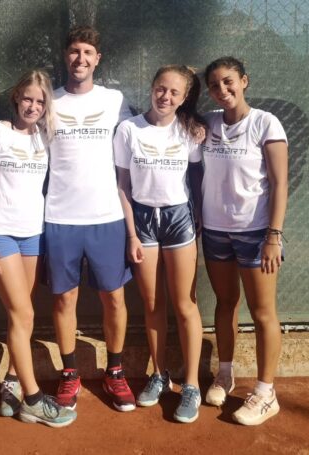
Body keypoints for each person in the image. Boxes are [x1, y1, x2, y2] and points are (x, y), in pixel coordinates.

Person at [0, 26, 136, 412]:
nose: (81, 58)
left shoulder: (114, 101)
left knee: (114, 298)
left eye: (88, 52)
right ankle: (69, 374)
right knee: (64, 299)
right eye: (75, 51)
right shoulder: (50, 102)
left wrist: (190, 124)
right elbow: (16, 130)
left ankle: (115, 372)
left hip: (108, 218)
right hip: (59, 219)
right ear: (66, 56)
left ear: (98, 59)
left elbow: (146, 128)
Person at [0, 69, 76, 427]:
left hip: (34, 235)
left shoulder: (46, 137)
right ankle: (32, 400)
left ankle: (12, 383)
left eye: (40, 101)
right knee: (24, 315)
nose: (33, 106)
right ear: (16, 97)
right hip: (0, 235)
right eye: (28, 98)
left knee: (21, 314)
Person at [200, 57, 289, 426]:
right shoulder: (207, 123)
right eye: (215, 85)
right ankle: (224, 373)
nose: (223, 90)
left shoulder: (265, 123)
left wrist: (273, 235)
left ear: (244, 81)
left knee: (262, 312)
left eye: (229, 81)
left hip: (256, 234)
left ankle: (266, 393)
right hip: (214, 231)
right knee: (225, 304)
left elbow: (280, 183)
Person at [114, 65, 205, 423]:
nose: (165, 97)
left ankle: (192, 385)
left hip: (179, 219)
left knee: (185, 305)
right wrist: (132, 234)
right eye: (160, 88)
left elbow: (196, 174)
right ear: (152, 88)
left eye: (174, 92)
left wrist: (198, 215)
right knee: (153, 304)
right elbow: (123, 185)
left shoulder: (189, 131)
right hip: (142, 221)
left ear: (184, 98)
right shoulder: (128, 129)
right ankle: (159, 374)